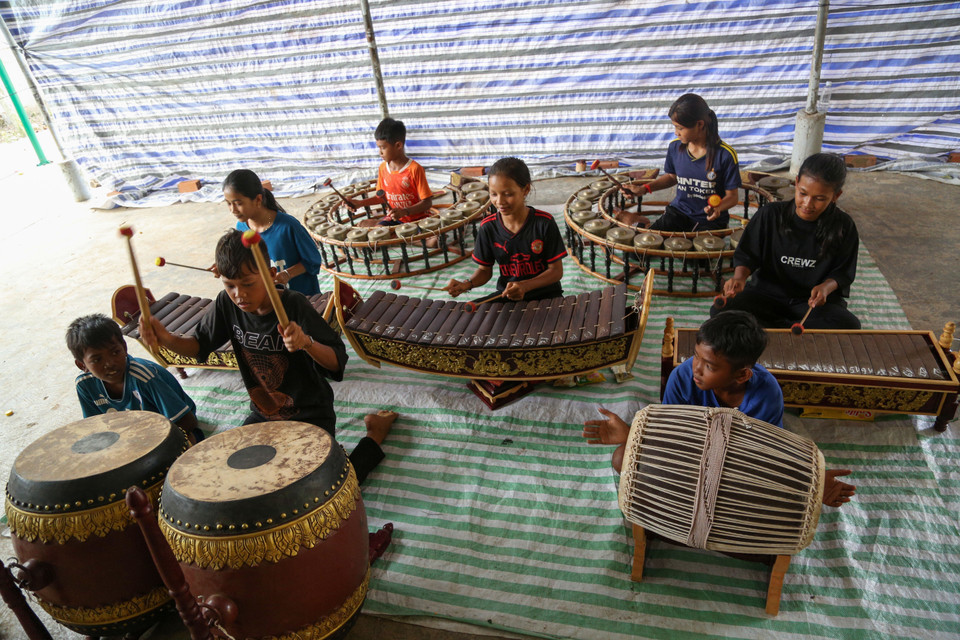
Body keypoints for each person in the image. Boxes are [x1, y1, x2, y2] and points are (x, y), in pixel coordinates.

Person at [140, 229, 394, 484]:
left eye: (248, 284)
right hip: (263, 414)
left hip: (310, 415)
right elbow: (198, 348)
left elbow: (337, 362)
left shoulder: (294, 305)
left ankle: (374, 433)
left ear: (271, 276)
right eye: (230, 285)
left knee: (327, 487)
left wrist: (306, 343)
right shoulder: (226, 304)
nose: (239, 294)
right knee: (235, 478)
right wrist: (166, 339)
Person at [582, 311, 855, 507]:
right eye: (696, 357)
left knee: (781, 491)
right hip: (691, 458)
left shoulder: (767, 393)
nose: (696, 369)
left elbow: (764, 455)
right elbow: (675, 440)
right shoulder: (682, 377)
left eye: (709, 366)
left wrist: (810, 481)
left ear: (742, 375)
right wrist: (632, 435)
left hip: (738, 467)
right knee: (621, 458)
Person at [713, 153, 860, 329]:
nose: (807, 203)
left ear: (836, 195)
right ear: (796, 183)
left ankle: (768, 329)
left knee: (849, 325)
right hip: (766, 296)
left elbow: (842, 272)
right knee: (720, 311)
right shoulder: (770, 214)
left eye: (819, 199)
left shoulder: (844, 225)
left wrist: (825, 288)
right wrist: (739, 277)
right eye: (803, 193)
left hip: (810, 305)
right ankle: (787, 328)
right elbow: (747, 254)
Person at [67, 314, 204, 444]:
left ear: (125, 348)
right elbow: (95, 427)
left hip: (170, 432)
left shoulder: (145, 378)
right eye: (97, 359)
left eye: (115, 352)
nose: (110, 363)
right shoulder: (84, 385)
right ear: (82, 365)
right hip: (132, 438)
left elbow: (187, 422)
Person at [444, 157, 566, 302]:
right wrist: (466, 284)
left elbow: (556, 271)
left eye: (508, 194)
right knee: (471, 311)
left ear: (525, 189)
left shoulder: (544, 223)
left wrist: (525, 286)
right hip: (508, 296)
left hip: (546, 296)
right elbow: (484, 271)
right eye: (494, 194)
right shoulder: (488, 227)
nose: (499, 202)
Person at [619, 93, 741, 232]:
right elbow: (672, 177)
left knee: (692, 252)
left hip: (709, 219)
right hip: (679, 212)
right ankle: (643, 225)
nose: (676, 133)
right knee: (643, 248)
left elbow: (732, 197)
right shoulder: (675, 147)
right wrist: (644, 189)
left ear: (700, 124)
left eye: (680, 128)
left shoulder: (725, 155)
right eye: (675, 127)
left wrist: (718, 207)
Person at [221, 168, 323, 297]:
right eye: (229, 204)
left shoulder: (288, 226)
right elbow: (244, 261)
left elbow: (313, 260)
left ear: (258, 200)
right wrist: (224, 264)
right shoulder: (241, 227)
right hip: (271, 298)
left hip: (304, 297)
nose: (233, 210)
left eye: (238, 203)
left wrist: (287, 274)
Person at [346, 117, 433, 226]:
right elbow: (382, 197)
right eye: (379, 148)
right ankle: (393, 230)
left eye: (383, 148)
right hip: (394, 219)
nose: (380, 152)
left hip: (418, 220)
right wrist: (360, 203)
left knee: (432, 242)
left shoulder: (415, 169)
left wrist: (404, 212)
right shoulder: (383, 168)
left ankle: (400, 234)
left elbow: (427, 203)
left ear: (398, 146)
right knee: (367, 227)